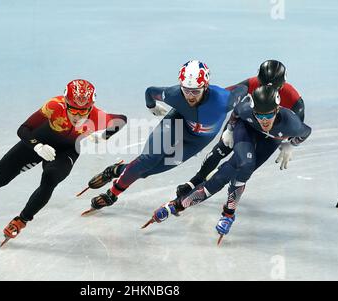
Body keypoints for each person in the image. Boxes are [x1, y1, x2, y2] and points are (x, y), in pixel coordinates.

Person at [0, 79, 127, 246]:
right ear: (65, 103)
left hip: (67, 151)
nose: (78, 116)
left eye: (83, 112)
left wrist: (104, 136)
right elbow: (23, 130)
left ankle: (21, 220)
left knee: (51, 178)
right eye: (74, 110)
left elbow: (121, 120)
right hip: (38, 142)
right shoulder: (54, 106)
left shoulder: (96, 116)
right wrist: (37, 146)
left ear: (91, 107)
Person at [144, 86, 312, 243]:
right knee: (243, 163)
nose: (264, 120)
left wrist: (291, 144)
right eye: (259, 115)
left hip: (270, 141)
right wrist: (230, 130)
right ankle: (177, 205)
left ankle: (228, 213)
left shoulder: (292, 123)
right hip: (246, 129)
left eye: (268, 115)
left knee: (240, 170)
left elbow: (306, 132)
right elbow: (236, 114)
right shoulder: (246, 109)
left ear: (276, 110)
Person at [80, 60, 247, 214]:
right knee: (148, 160)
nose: (190, 96)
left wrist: (232, 127)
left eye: (195, 91)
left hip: (197, 141)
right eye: (186, 90)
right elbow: (150, 92)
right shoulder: (174, 94)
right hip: (177, 123)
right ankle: (112, 194)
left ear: (206, 86)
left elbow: (246, 88)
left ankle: (115, 170)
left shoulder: (224, 101)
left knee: (148, 171)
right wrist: (151, 106)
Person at [176, 60, 306, 198]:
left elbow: (298, 127)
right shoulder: (251, 84)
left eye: (275, 89)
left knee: (242, 166)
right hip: (245, 123)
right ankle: (195, 181)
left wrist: (291, 143)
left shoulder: (294, 99)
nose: (268, 92)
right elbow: (221, 97)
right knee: (220, 150)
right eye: (262, 86)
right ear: (258, 81)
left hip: (270, 136)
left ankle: (207, 189)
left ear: (283, 85)